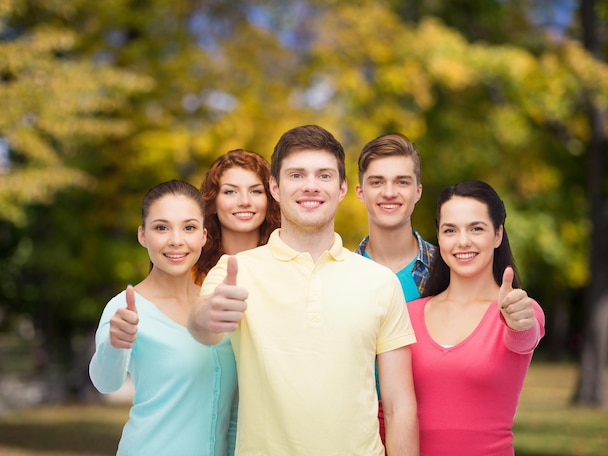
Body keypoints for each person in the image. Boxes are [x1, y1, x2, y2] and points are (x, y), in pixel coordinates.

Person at [189, 125, 419, 456]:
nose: (310, 186)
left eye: (323, 176)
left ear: (341, 189)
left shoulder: (380, 282)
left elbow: (399, 405)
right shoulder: (235, 271)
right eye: (297, 175)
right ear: (275, 187)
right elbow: (201, 327)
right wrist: (208, 314)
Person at [89, 180, 237, 456]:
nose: (176, 240)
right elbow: (105, 382)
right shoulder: (125, 308)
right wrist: (114, 344)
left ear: (204, 236)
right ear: (143, 235)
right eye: (161, 227)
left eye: (189, 227)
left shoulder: (217, 304)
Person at [406, 180, 545, 456]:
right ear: (439, 236)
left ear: (497, 235)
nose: (463, 241)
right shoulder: (409, 314)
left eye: (476, 228)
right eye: (450, 230)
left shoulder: (517, 309)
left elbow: (524, 336)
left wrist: (518, 322)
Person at [355, 132, 436, 446]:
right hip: (360, 437)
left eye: (401, 182)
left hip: (437, 428)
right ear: (360, 192)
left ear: (417, 191)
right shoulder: (338, 277)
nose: (389, 192)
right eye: (377, 182)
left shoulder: (448, 271)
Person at [192, 149, 280, 285]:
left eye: (255, 191)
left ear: (269, 199)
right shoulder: (192, 270)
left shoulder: (288, 262)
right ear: (213, 202)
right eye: (231, 191)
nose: (245, 201)